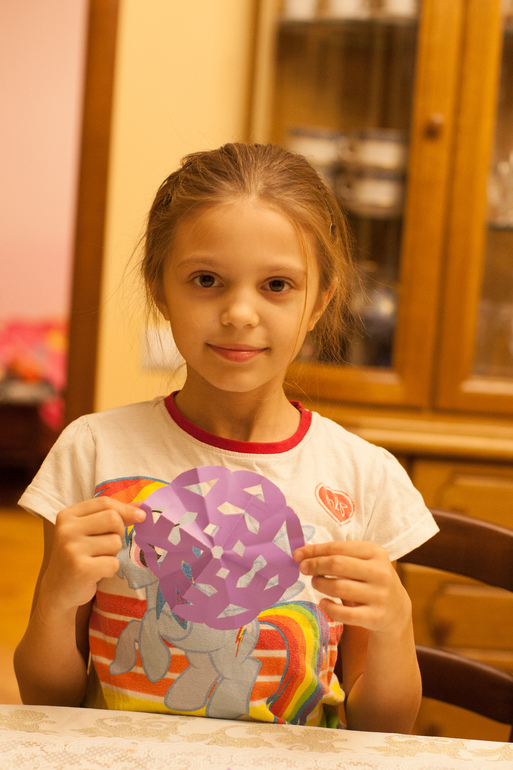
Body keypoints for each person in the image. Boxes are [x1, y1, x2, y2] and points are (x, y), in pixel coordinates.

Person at [14, 142, 438, 733]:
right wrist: (55, 602)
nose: (240, 312)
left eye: (277, 285)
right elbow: (46, 698)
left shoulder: (364, 478)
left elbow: (385, 731)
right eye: (207, 280)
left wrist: (396, 624)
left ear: (320, 301)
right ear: (159, 287)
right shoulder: (91, 452)